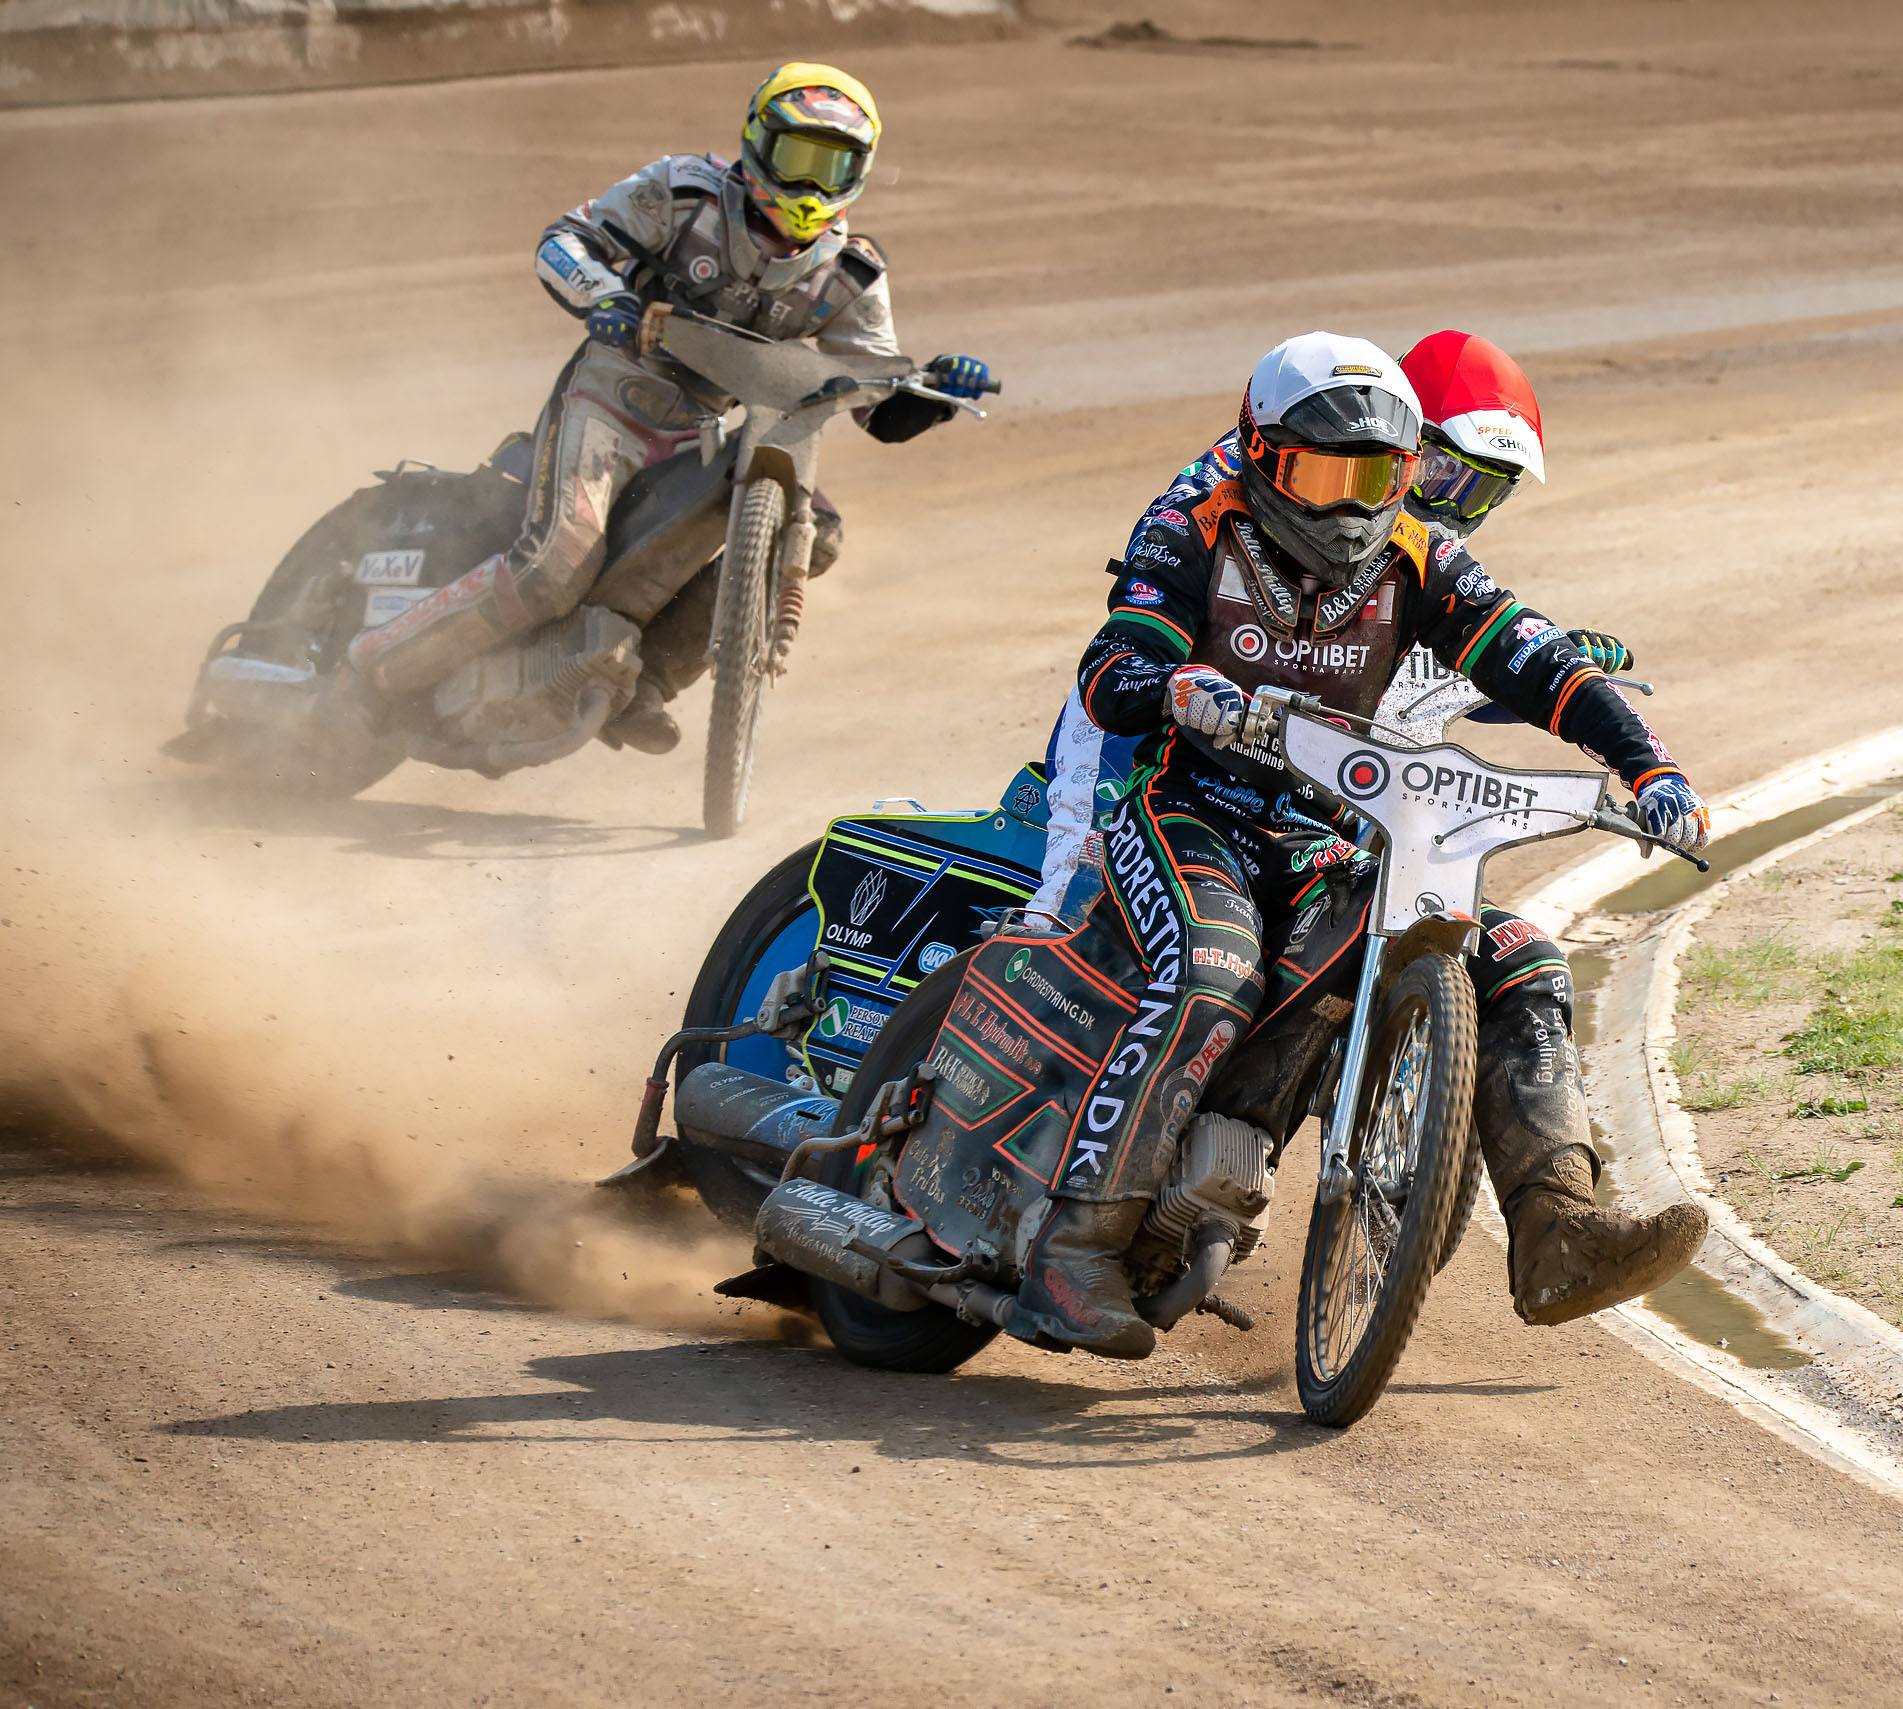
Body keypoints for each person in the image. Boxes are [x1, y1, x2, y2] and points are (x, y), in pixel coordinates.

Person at [1010, 331, 1714, 1358]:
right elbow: (1115, 660)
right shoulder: (1196, 521)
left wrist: (1649, 767)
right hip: (1185, 806)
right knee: (1214, 969)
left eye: (1377, 477)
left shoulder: (1419, 554)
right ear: (1262, 453)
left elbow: (1534, 656)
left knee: (1521, 954)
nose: (1349, 506)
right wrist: (1171, 683)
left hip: (1338, 825)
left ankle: (1557, 1225)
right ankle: (1074, 1247)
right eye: (1322, 475)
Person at [332, 62, 990, 754]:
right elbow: (564, 241)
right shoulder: (684, 193)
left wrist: (936, 393)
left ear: (860, 170)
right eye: (797, 159)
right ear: (758, 142)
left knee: (817, 530)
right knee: (554, 567)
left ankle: (644, 679)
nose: (809, 186)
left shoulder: (852, 272)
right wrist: (604, 297)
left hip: (703, 437)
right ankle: (368, 672)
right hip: (610, 397)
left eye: (832, 167)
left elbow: (874, 402)